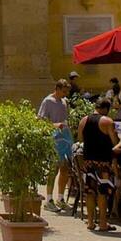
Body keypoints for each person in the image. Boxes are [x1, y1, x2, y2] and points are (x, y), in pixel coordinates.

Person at [78, 97, 118, 232]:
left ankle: (90, 222)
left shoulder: (84, 121)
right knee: (102, 192)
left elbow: (80, 139)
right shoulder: (107, 121)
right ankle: (102, 223)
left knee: (90, 192)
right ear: (106, 109)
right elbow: (114, 142)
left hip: (88, 161)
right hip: (103, 162)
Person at [38, 80, 74, 208]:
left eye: (67, 92)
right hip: (53, 139)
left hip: (65, 138)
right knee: (54, 168)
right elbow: (40, 120)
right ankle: (48, 200)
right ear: (57, 89)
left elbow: (66, 118)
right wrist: (55, 125)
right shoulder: (47, 101)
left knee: (65, 168)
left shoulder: (64, 102)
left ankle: (60, 198)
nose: (65, 94)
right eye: (64, 91)